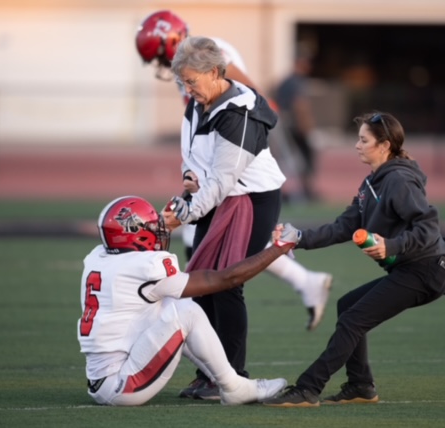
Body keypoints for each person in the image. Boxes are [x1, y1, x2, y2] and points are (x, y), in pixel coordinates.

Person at [134, 10, 331, 338]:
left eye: (158, 56)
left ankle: (225, 355)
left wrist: (225, 161)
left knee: (221, 269)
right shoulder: (191, 72)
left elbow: (251, 102)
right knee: (214, 261)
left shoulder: (212, 56)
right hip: (220, 175)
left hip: (239, 175)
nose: (160, 67)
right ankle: (304, 282)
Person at [262, 111, 445, 407]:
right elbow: (344, 226)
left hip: (426, 270)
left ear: (384, 145)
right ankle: (361, 386)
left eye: (364, 140)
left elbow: (428, 228)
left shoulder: (400, 180)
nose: (357, 145)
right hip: (410, 269)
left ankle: (308, 389)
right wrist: (298, 237)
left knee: (352, 320)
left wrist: (390, 245)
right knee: (347, 306)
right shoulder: (372, 183)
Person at [76, 195, 301, 406]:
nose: (159, 232)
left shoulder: (99, 258)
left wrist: (162, 223)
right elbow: (227, 278)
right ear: (137, 234)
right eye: (152, 229)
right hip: (122, 385)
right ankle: (235, 388)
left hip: (104, 378)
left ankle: (223, 380)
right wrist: (277, 250)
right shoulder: (146, 267)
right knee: (186, 312)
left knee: (169, 306)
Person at [275, 50, 319, 202]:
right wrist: (307, 129)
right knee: (304, 159)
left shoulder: (286, 81)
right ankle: (305, 192)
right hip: (295, 128)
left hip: (283, 126)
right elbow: (300, 106)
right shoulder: (296, 82)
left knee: (284, 161)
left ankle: (286, 192)